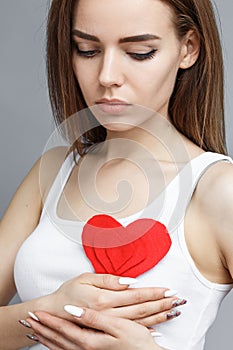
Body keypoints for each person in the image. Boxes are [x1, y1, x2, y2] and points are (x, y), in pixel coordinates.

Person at [1, 0, 233, 350]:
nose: (107, 76)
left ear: (188, 49)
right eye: (88, 50)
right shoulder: (53, 172)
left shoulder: (218, 190)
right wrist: (52, 312)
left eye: (139, 52)